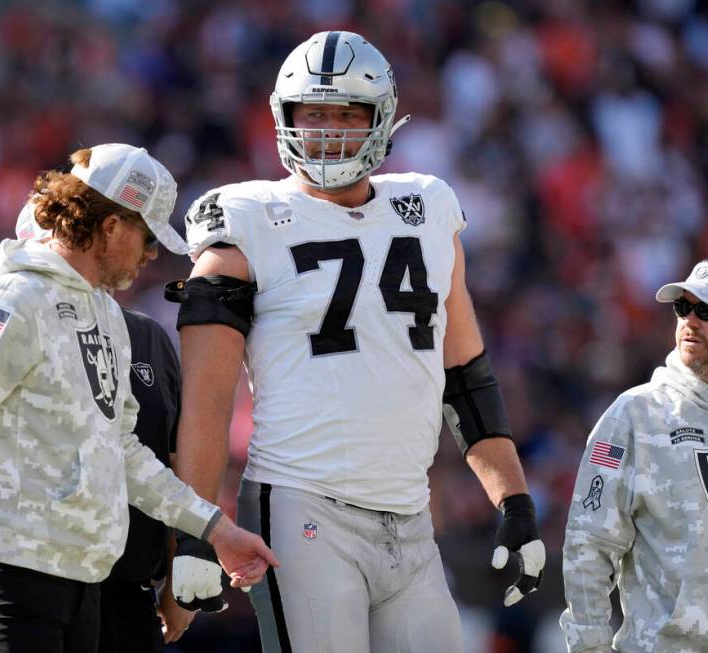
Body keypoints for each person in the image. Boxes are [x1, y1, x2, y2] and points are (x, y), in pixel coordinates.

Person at [165, 31, 544, 652]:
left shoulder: (427, 206)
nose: (329, 129)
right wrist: (194, 530)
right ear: (284, 117)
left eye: (348, 112)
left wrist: (516, 503)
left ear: (384, 118)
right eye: (312, 113)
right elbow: (206, 400)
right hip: (300, 511)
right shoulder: (245, 219)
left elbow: (467, 376)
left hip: (411, 519)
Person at [0, 143, 278, 653]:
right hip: (12, 575)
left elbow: (125, 452)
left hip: (83, 581)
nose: (151, 254)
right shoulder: (13, 301)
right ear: (111, 226)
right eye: (146, 236)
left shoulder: (107, 316)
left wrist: (217, 530)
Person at [0, 198, 197, 651]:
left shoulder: (147, 337)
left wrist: (184, 569)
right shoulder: (8, 318)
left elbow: (171, 462)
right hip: (29, 575)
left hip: (129, 590)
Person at [560, 255, 708, 653]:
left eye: (707, 310)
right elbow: (589, 544)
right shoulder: (633, 415)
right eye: (683, 307)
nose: (690, 320)